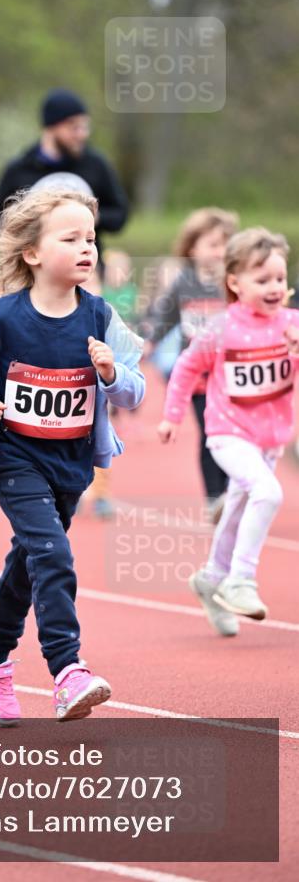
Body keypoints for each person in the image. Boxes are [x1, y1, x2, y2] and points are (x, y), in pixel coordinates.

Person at [0, 185, 145, 724]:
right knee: (52, 554)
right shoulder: (0, 318)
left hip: (72, 464)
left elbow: (135, 390)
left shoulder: (101, 318)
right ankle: (67, 669)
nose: (86, 248)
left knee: (29, 560)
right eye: (70, 238)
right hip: (15, 458)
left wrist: (111, 374)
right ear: (32, 252)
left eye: (91, 239)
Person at [158, 228, 299, 636]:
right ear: (235, 283)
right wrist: (172, 416)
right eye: (262, 279)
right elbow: (186, 367)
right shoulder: (221, 329)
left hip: (269, 439)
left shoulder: (292, 324)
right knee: (268, 493)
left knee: (236, 511)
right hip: (227, 433)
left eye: (279, 278)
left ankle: (211, 579)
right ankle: (241, 580)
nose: (274, 287)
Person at [145, 208, 239, 518]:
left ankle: (233, 490)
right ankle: (215, 498)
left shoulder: (234, 282)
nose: (220, 251)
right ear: (192, 248)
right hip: (199, 375)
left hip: (233, 373)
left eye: (225, 244)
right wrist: (149, 342)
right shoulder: (184, 282)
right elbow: (166, 317)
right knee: (211, 433)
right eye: (213, 244)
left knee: (235, 434)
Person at [0, 89, 129, 252]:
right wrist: (27, 224)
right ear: (51, 127)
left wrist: (91, 217)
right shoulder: (20, 168)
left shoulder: (95, 164)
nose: (82, 134)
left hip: (87, 263)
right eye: (74, 127)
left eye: (85, 126)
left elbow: (120, 214)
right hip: (37, 262)